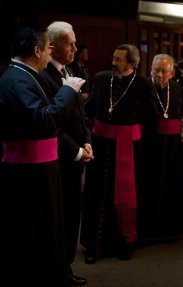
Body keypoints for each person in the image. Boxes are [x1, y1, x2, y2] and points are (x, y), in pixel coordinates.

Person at [0, 23, 85, 287]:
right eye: (48, 48)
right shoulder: (16, 78)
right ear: (37, 51)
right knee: (35, 231)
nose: (50, 54)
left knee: (48, 228)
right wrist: (68, 91)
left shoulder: (21, 74)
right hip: (30, 170)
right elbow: (43, 120)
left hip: (41, 165)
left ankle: (53, 274)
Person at [80, 44, 160, 264]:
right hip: (101, 145)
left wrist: (138, 143)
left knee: (125, 199)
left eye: (119, 60)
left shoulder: (143, 85)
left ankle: (124, 244)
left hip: (129, 151)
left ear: (132, 64)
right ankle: (94, 246)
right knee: (97, 195)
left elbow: (152, 121)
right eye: (113, 58)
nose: (113, 63)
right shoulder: (102, 78)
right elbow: (89, 107)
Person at [38, 21, 92, 286]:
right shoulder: (42, 75)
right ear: (52, 45)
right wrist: (77, 150)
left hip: (77, 155)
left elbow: (82, 114)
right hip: (58, 158)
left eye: (74, 42)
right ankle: (60, 271)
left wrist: (88, 142)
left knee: (72, 216)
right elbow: (52, 125)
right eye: (68, 43)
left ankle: (66, 267)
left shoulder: (71, 69)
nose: (74, 48)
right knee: (59, 219)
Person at [139, 54, 183, 242]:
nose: (159, 74)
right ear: (150, 69)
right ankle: (147, 230)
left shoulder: (177, 88)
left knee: (171, 185)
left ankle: (170, 229)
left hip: (173, 146)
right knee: (150, 185)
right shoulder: (144, 87)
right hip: (150, 143)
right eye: (155, 70)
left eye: (164, 71)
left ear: (172, 73)